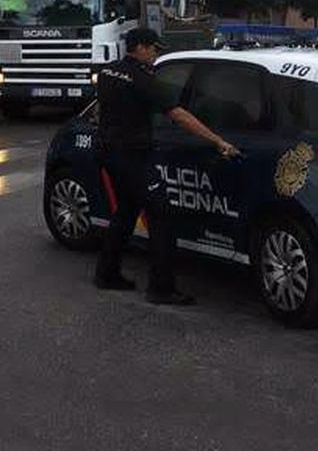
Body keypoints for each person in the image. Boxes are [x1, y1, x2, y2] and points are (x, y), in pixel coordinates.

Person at [94, 27, 241, 305]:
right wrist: (217, 140)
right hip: (133, 155)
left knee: (126, 212)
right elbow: (179, 116)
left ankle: (107, 273)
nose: (155, 54)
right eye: (153, 49)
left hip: (108, 151)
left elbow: (103, 109)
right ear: (140, 48)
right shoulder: (143, 79)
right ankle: (161, 288)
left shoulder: (108, 71)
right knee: (162, 217)